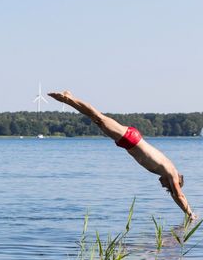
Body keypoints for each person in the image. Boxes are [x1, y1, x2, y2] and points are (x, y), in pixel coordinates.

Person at [49, 91, 193, 219]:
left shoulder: (168, 171)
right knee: (98, 117)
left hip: (129, 140)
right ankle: (69, 99)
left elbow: (177, 196)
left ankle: (70, 100)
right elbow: (179, 196)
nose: (163, 186)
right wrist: (190, 214)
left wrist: (186, 209)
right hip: (131, 139)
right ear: (174, 184)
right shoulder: (172, 174)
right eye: (167, 187)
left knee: (97, 120)